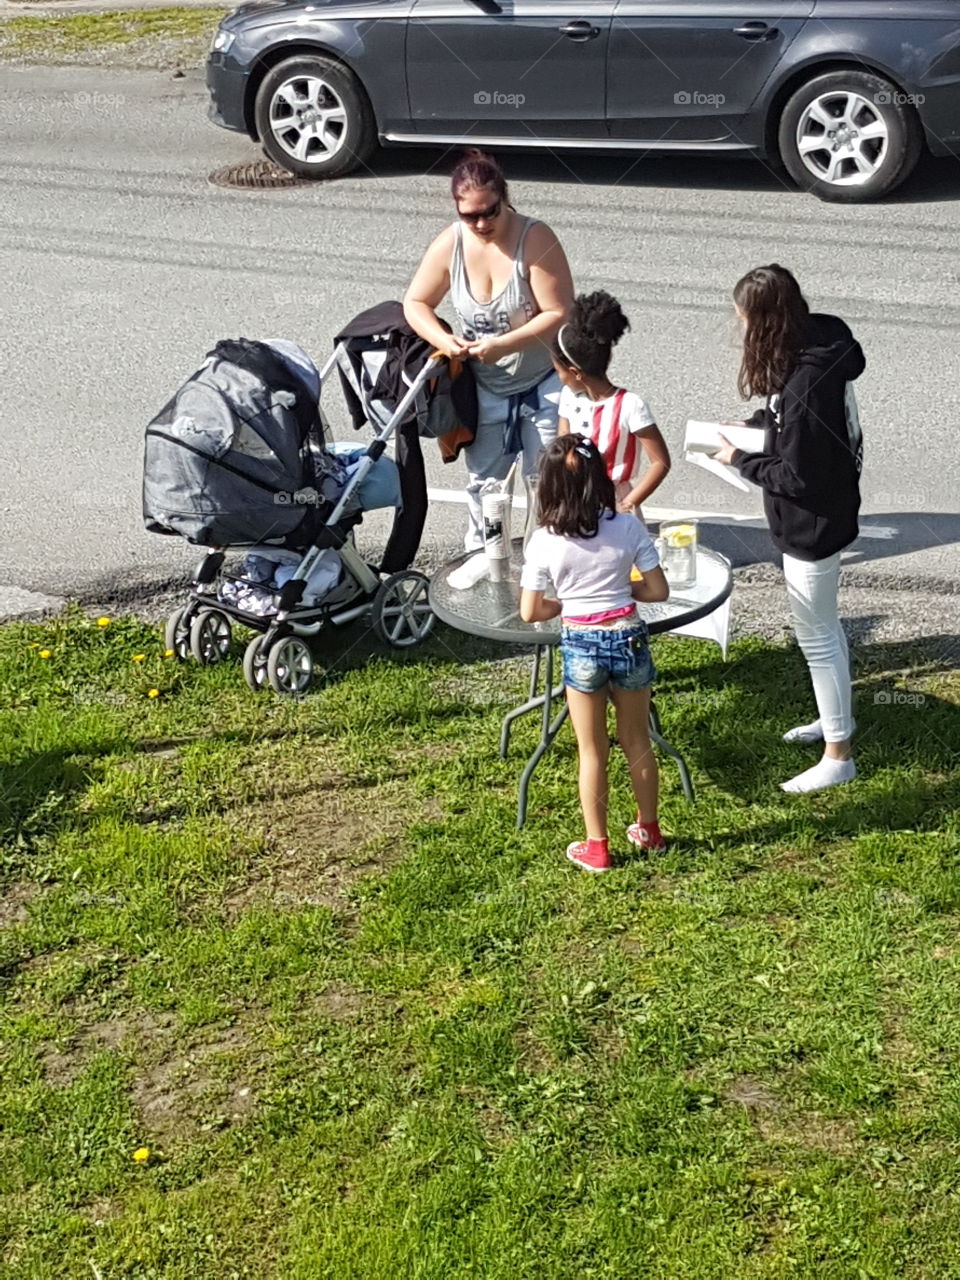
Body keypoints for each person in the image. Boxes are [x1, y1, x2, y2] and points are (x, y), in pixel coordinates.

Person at [712, 264, 865, 795]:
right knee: (827, 626)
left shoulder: (804, 388)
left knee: (817, 637)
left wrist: (738, 459)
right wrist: (762, 429)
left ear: (764, 322)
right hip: (831, 509)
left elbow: (797, 474)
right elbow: (801, 439)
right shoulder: (822, 336)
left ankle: (838, 754)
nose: (743, 331)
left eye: (745, 321)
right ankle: (835, 718)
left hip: (811, 524)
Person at [403, 149, 573, 556]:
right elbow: (415, 303)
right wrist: (446, 343)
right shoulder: (451, 244)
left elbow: (560, 311)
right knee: (485, 486)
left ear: (504, 198)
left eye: (489, 212)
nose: (480, 223)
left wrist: (505, 344)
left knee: (548, 484)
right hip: (486, 388)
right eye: (469, 216)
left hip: (543, 384)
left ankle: (548, 570)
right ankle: (483, 562)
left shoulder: (535, 238)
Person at [520, 435, 670, 873]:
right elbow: (658, 589)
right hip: (628, 636)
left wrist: (568, 603)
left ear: (546, 488)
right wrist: (621, 592)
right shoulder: (626, 525)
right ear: (600, 479)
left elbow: (531, 611)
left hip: (582, 644)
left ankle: (597, 846)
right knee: (638, 742)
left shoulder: (544, 541)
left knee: (592, 750)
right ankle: (649, 829)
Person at [554, 291, 671, 516]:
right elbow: (562, 444)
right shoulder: (568, 396)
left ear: (575, 372)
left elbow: (660, 462)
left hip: (615, 503)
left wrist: (627, 504)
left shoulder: (630, 405)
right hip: (574, 500)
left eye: (558, 371)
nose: (557, 377)